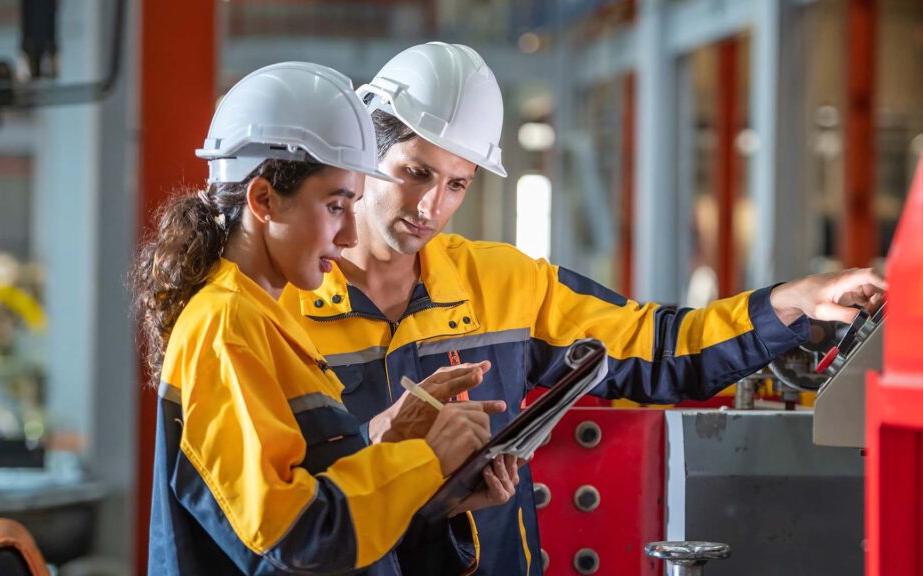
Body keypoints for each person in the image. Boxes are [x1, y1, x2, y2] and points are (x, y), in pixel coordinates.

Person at [280, 43, 886, 576]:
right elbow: (257, 502)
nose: (432, 206)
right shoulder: (280, 306)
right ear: (364, 156)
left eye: (458, 184)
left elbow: (659, 348)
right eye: (416, 172)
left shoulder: (505, 283)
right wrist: (376, 449)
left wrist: (795, 302)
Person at [131, 61, 517, 576]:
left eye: (354, 206)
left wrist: (423, 485)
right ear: (264, 199)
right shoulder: (223, 328)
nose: (351, 236)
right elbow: (294, 542)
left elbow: (322, 504)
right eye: (336, 206)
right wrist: (425, 460)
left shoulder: (267, 323)